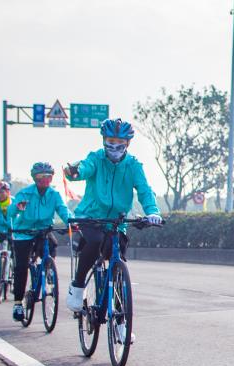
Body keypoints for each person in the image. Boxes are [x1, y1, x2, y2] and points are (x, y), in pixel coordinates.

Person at [63, 118, 162, 314]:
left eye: (120, 143)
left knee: (118, 262)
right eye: (110, 141)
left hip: (117, 221)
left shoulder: (133, 165)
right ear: (103, 140)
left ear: (128, 143)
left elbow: (144, 190)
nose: (115, 146)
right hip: (90, 217)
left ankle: (120, 320)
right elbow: (83, 168)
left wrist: (152, 212)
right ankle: (77, 287)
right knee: (95, 241)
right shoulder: (96, 158)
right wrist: (74, 172)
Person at [9, 162, 70, 322]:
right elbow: (11, 212)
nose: (45, 179)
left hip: (43, 230)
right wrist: (17, 207)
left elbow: (63, 209)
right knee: (21, 267)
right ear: (34, 178)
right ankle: (18, 304)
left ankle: (48, 268)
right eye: (41, 176)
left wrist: (71, 222)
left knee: (52, 244)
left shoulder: (54, 194)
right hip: (24, 232)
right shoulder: (25, 193)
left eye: (48, 176)